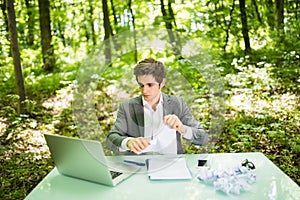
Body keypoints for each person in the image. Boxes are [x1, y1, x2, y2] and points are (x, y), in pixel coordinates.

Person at [106, 58, 208, 154]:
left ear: (162, 83)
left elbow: (203, 138)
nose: (144, 91)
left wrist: (181, 128)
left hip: (171, 165)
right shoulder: (127, 107)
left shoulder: (177, 104)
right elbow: (111, 140)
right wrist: (127, 142)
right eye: (141, 85)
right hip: (138, 166)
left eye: (150, 85)